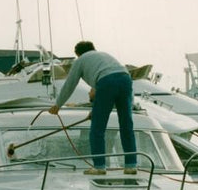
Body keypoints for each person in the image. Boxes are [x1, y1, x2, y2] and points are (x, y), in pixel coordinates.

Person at [49, 41, 137, 175]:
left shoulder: (81, 60)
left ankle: (99, 167)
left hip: (106, 81)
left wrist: (57, 105)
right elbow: (116, 87)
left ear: (78, 54)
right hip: (125, 79)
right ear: (93, 49)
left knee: (97, 128)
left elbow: (70, 84)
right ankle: (131, 165)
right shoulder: (104, 56)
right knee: (126, 125)